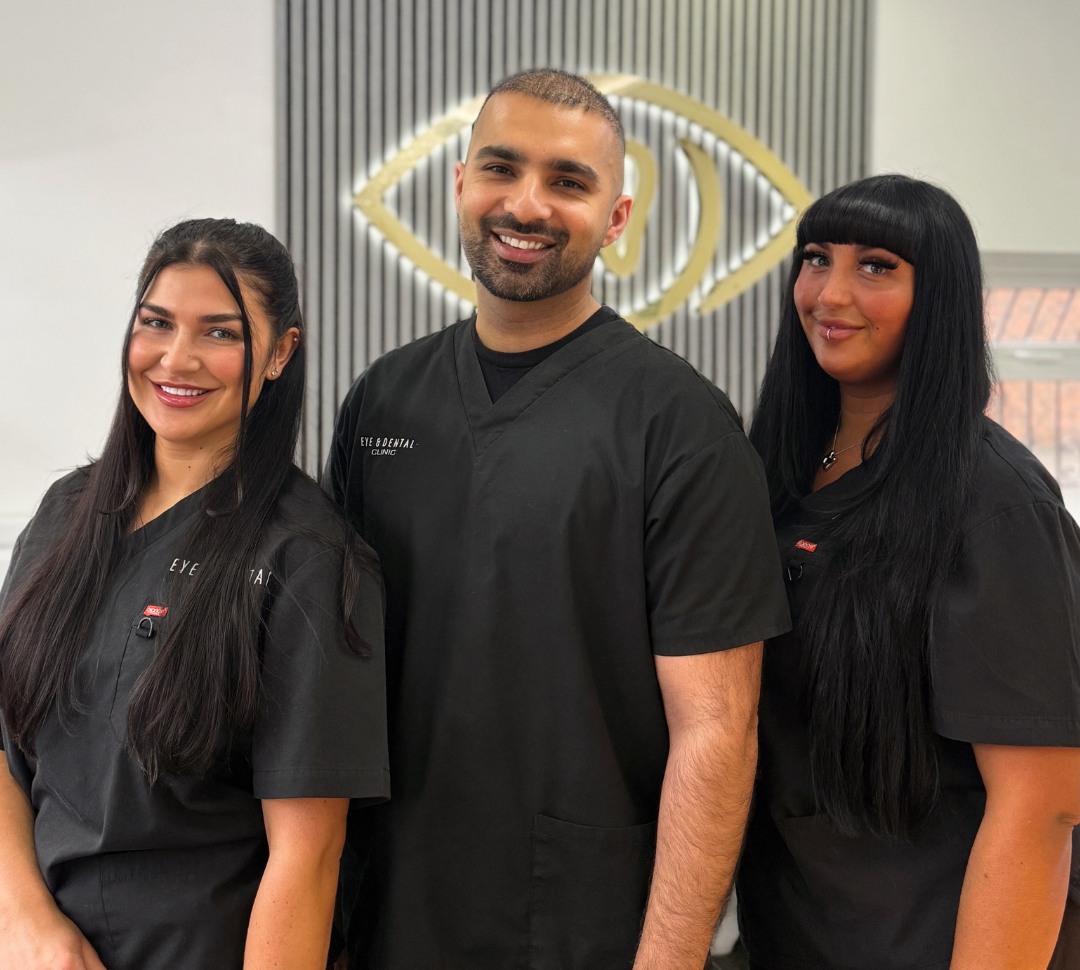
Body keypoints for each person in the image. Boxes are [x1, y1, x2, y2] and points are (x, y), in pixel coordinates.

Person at [323, 68, 790, 970]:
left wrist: (670, 960)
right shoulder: (384, 399)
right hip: (387, 902)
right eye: (502, 168)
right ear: (461, 184)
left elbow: (718, 732)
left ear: (616, 219)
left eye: (569, 181)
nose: (527, 204)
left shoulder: (679, 424)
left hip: (580, 920)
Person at [0, 220, 389, 970]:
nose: (176, 358)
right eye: (156, 323)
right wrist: (28, 928)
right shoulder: (65, 514)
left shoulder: (307, 560)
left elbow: (306, 862)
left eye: (220, 332)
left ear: (280, 353)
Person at [739, 175, 1080, 970]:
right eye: (816, 258)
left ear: (940, 299)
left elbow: (1043, 804)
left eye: (877, 267)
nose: (831, 293)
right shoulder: (777, 475)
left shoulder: (994, 502)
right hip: (795, 930)